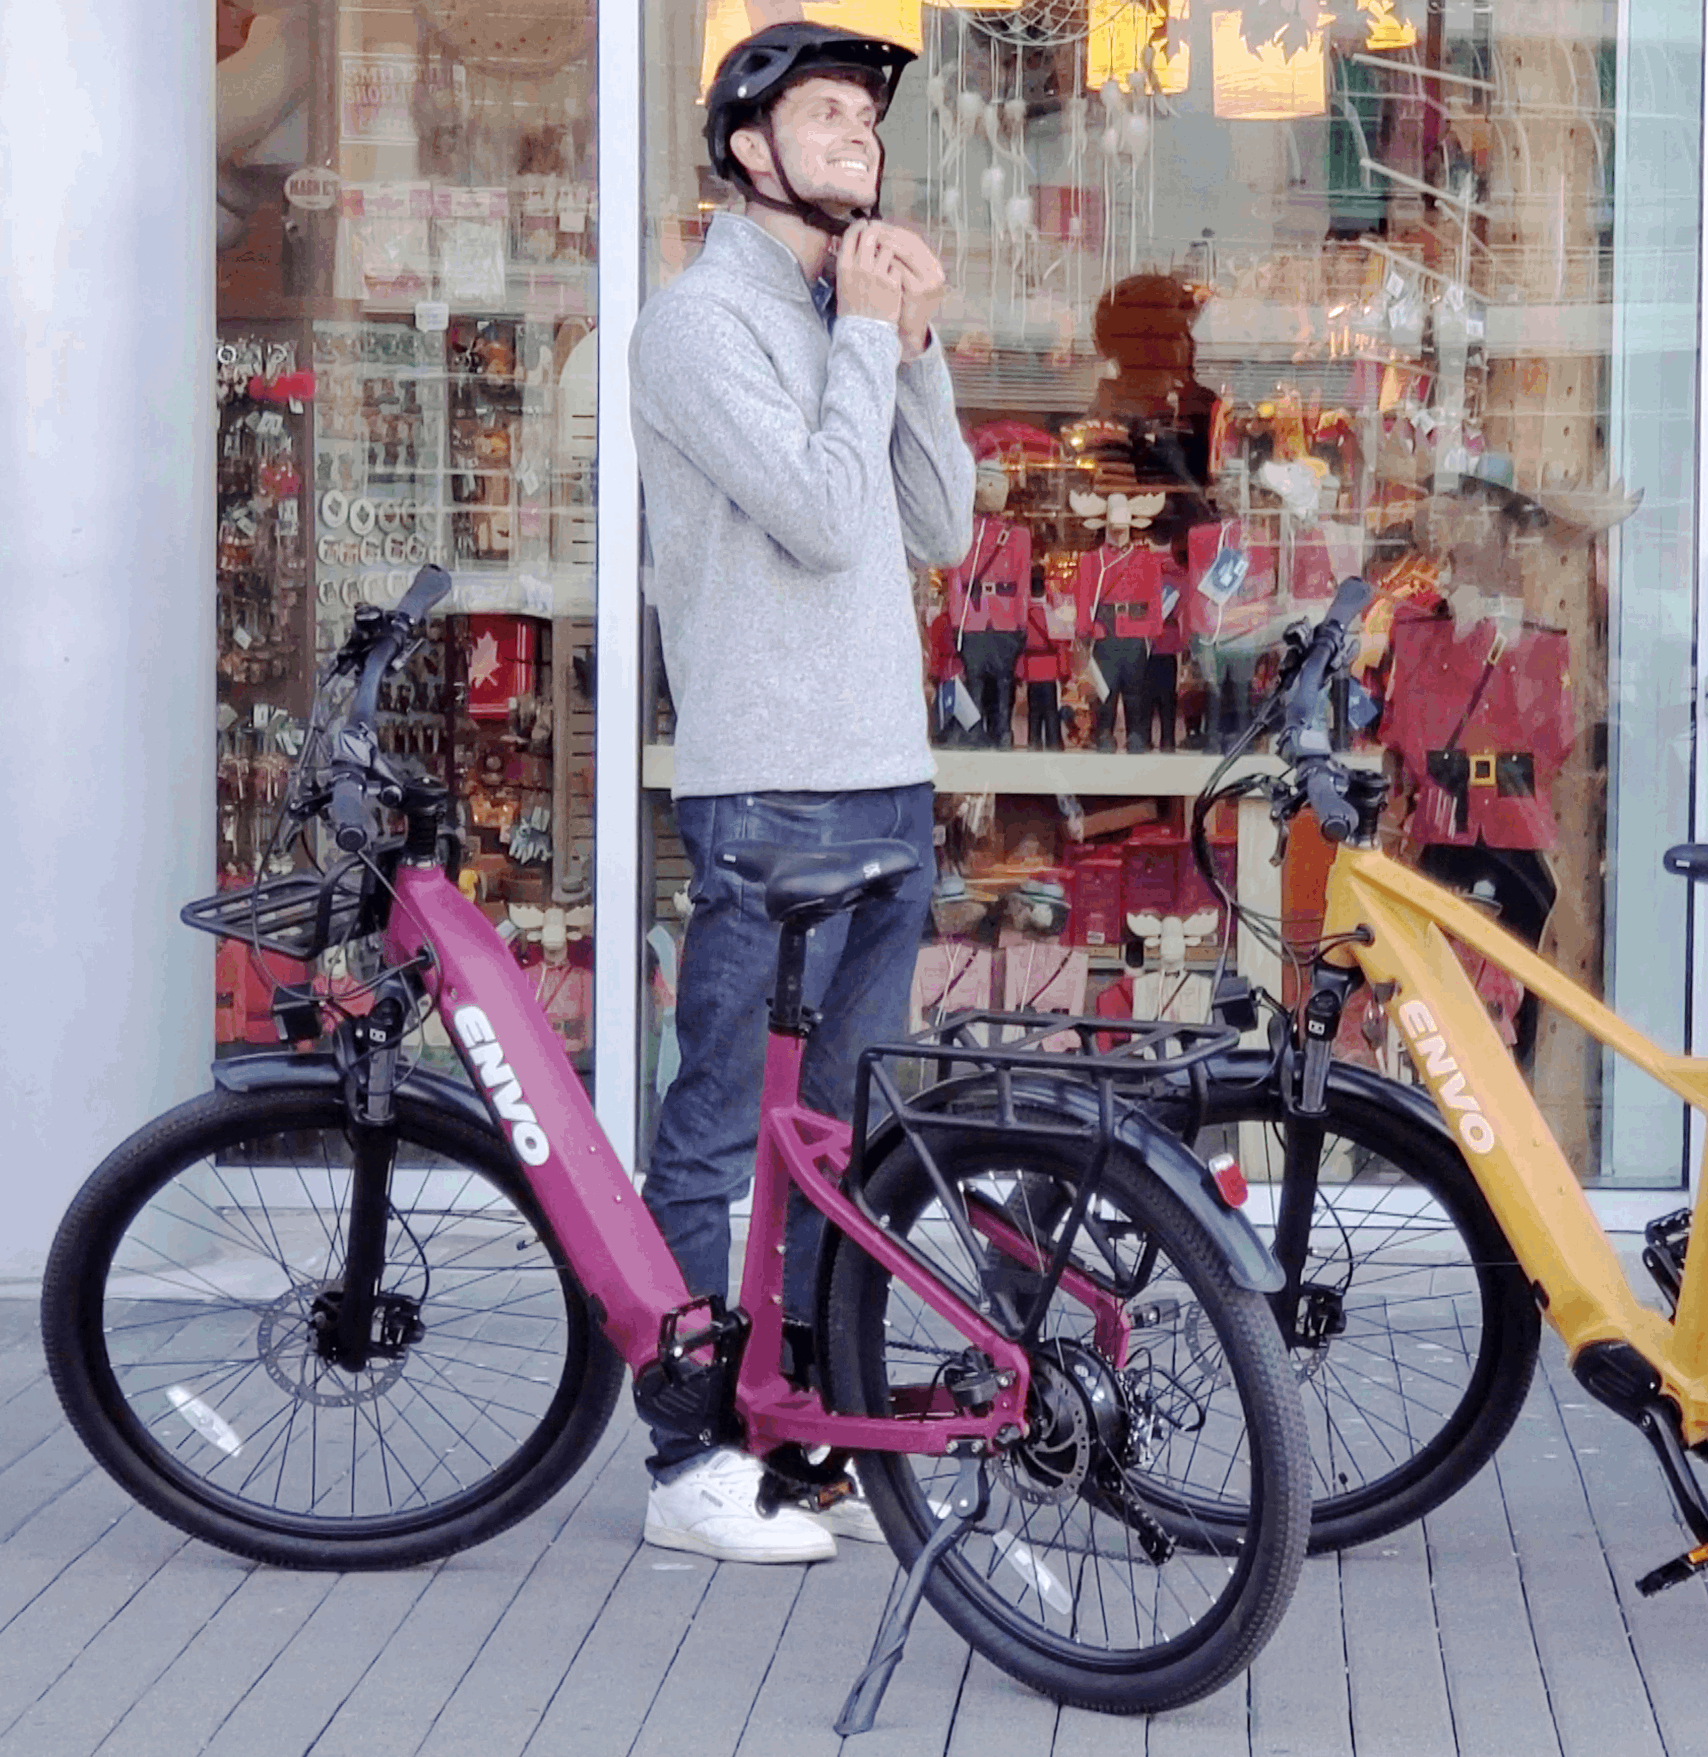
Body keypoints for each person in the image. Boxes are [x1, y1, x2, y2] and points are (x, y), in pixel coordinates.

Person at [628, 20, 973, 1564]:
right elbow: (827, 520)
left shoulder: (849, 318)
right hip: (772, 790)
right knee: (717, 1128)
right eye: (825, 111)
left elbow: (940, 525)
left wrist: (916, 345)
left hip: (885, 780)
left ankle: (808, 1433)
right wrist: (865, 340)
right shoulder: (699, 326)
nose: (857, 137)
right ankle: (687, 1459)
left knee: (841, 1140)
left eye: (868, 119)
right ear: (748, 148)